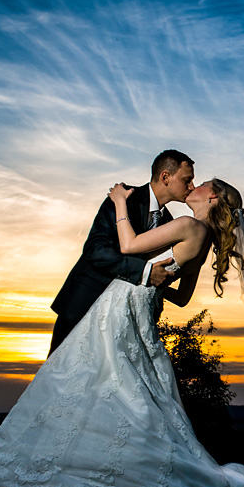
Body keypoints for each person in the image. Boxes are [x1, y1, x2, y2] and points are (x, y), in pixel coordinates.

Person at [0, 176, 244, 487]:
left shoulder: (190, 225)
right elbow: (184, 297)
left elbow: (128, 246)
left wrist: (118, 202)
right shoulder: (204, 239)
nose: (196, 185)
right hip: (144, 306)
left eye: (203, 184)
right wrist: (158, 282)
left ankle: (72, 461)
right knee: (120, 382)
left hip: (123, 303)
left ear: (213, 197)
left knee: (91, 376)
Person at [47, 149, 196, 355]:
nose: (192, 187)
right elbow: (95, 249)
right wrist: (144, 271)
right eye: (187, 180)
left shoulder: (171, 224)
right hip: (84, 305)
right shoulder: (124, 198)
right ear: (166, 177)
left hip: (123, 323)